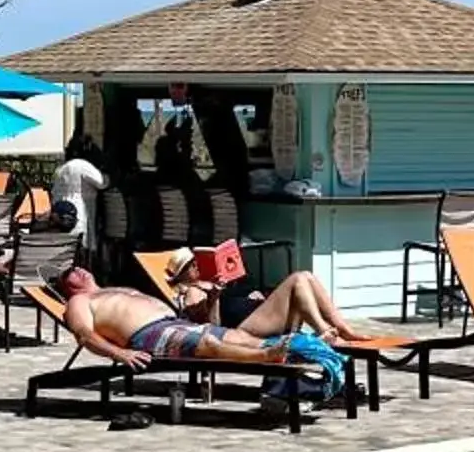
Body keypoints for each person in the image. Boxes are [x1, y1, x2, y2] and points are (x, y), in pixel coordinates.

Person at [56, 266, 371, 374]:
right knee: (208, 343)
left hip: (177, 323)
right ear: (67, 287)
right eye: (72, 274)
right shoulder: (80, 301)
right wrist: (119, 354)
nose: (79, 271)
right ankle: (267, 356)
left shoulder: (117, 287)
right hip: (149, 336)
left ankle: (301, 345)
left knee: (234, 338)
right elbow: (84, 334)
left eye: (80, 267)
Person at [47, 127, 105, 250]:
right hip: (79, 214)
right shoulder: (84, 166)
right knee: (81, 249)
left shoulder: (60, 169)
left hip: (60, 215)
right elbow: (101, 182)